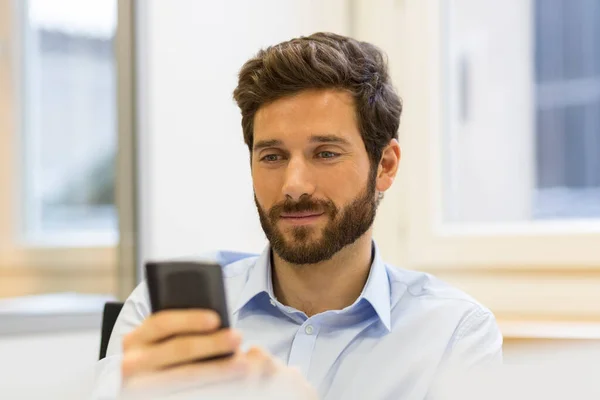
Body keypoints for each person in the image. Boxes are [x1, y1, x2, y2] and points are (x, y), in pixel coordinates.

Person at [92, 32, 502, 400]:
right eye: (272, 156)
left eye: (325, 153)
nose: (294, 185)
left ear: (386, 165)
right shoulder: (165, 314)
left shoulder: (454, 334)